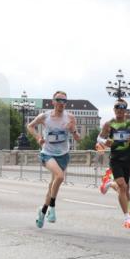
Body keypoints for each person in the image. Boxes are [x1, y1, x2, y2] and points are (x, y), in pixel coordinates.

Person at [27, 90, 81, 228]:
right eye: (59, 100)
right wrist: (38, 137)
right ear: (53, 102)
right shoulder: (45, 117)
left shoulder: (70, 117)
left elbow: (78, 139)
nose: (61, 103)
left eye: (64, 101)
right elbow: (30, 126)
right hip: (48, 153)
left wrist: (73, 130)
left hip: (63, 155)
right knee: (60, 176)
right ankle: (52, 207)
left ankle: (42, 212)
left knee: (52, 186)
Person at [97, 99, 130, 228]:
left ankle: (109, 183)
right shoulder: (109, 124)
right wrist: (105, 142)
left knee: (124, 187)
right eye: (117, 107)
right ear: (114, 109)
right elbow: (99, 138)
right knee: (122, 186)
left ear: (125, 110)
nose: (120, 110)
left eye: (122, 107)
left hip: (128, 159)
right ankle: (127, 218)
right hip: (115, 159)